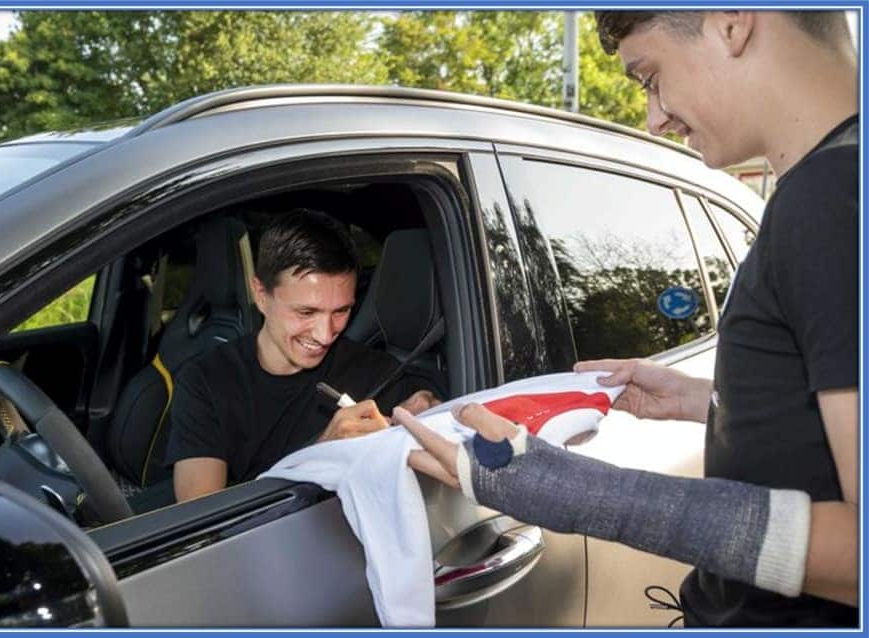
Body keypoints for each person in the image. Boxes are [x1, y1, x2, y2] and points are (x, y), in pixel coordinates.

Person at [399, 10, 857, 627]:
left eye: (649, 76)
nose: (655, 118)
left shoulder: (831, 199)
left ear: (731, 21)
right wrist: (710, 400)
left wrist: (578, 493)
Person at [168, 209, 442, 502]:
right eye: (306, 312)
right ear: (261, 295)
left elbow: (436, 416)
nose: (325, 334)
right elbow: (203, 526)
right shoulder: (205, 381)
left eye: (341, 311)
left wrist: (429, 407)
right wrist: (322, 453)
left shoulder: (378, 374)